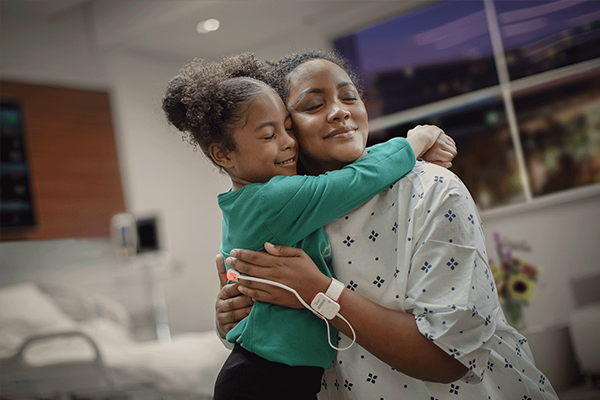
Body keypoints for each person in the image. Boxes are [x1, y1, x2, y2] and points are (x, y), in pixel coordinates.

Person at [215, 50, 559, 400]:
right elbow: (259, 327)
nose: (340, 111)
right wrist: (232, 315)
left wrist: (318, 291)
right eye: (313, 106)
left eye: (350, 97)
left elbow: (452, 358)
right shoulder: (283, 215)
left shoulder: (431, 189)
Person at [162, 53, 453, 400]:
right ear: (223, 155)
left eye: (286, 128)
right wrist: (416, 140)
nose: (287, 141)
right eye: (270, 134)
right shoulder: (274, 199)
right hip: (263, 380)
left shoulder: (253, 200)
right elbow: (357, 180)